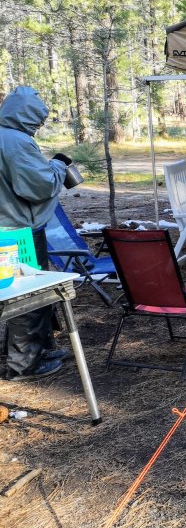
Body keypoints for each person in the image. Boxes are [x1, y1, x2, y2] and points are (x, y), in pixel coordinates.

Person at [0, 87, 70, 381]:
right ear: (24, 115)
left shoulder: (7, 136)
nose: (39, 125)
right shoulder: (15, 142)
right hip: (17, 232)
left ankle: (38, 349)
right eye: (37, 119)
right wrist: (58, 165)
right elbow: (39, 186)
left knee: (25, 291)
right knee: (26, 294)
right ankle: (24, 364)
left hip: (8, 228)